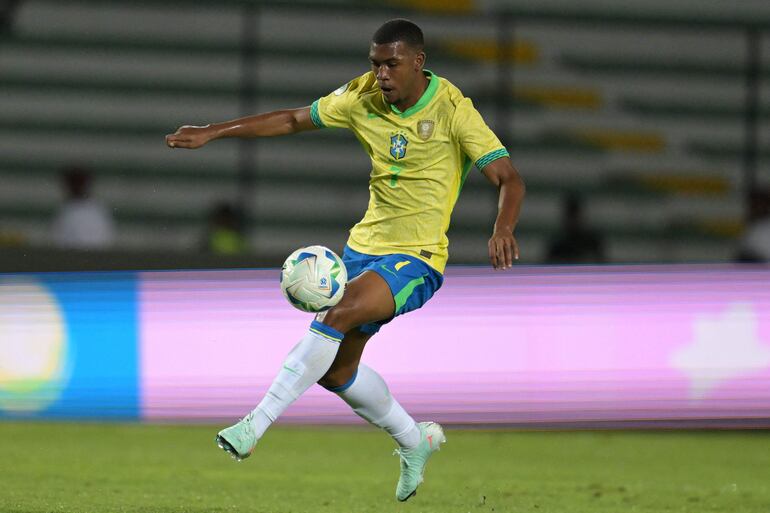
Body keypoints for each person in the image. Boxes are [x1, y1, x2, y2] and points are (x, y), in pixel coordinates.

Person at [166, 19, 525, 502]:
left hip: (417, 258)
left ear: (419, 62)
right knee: (336, 372)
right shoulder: (362, 96)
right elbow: (294, 118)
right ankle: (413, 440)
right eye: (375, 65)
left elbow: (509, 178)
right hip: (362, 249)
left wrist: (503, 228)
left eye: (391, 65)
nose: (381, 75)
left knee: (337, 314)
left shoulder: (454, 110)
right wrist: (214, 131)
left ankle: (256, 423)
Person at [51, 165, 115, 250]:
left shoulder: (98, 212)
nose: (76, 186)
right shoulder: (64, 211)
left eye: (79, 182)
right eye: (74, 182)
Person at [546, 193, 605, 264]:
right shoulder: (557, 246)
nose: (573, 221)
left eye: (575, 216)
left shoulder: (593, 243)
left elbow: (602, 267)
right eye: (570, 217)